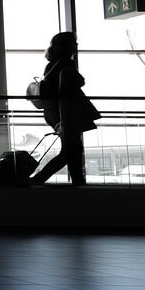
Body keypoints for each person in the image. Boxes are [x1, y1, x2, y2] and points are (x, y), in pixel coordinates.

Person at [31, 31, 99, 185]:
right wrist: (64, 121)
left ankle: (78, 182)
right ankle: (39, 179)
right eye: (74, 42)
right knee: (71, 150)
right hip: (66, 112)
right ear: (67, 46)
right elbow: (64, 94)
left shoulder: (51, 65)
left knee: (72, 149)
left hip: (53, 112)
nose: (77, 45)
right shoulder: (67, 64)